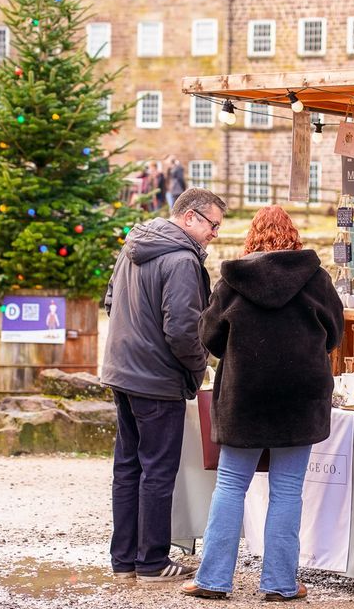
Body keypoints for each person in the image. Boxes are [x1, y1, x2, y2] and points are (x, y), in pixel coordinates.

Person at [181, 206, 344, 601]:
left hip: (244, 398)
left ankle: (213, 580)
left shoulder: (233, 281)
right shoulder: (316, 280)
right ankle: (280, 584)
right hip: (300, 399)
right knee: (287, 491)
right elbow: (335, 333)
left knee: (231, 486)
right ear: (294, 236)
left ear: (252, 237)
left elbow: (210, 336)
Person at [101, 188, 226, 582]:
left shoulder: (134, 245)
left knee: (128, 467)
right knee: (156, 470)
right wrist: (198, 368)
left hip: (122, 371)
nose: (215, 234)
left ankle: (124, 561)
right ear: (189, 217)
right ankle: (152, 562)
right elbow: (183, 330)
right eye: (213, 225)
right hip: (157, 378)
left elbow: (109, 300)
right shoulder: (181, 260)